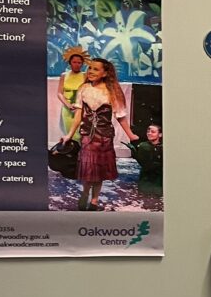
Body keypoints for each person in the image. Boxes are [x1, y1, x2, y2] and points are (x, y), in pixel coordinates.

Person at [64, 58, 138, 210]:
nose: (91, 71)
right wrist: (69, 135)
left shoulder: (112, 91)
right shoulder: (84, 88)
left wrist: (131, 135)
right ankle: (85, 192)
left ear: (105, 73)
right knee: (88, 168)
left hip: (104, 137)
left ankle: (94, 200)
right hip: (87, 135)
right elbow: (78, 115)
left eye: (96, 69)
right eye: (90, 68)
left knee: (99, 170)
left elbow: (120, 116)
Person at [55, 46, 88, 137]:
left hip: (81, 109)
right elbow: (59, 93)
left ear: (82, 64)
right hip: (67, 108)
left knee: (80, 134)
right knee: (69, 132)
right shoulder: (64, 75)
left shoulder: (85, 76)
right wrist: (68, 105)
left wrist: (80, 106)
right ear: (70, 63)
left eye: (79, 62)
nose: (77, 64)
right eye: (74, 62)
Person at [127, 122, 163, 200]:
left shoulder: (163, 147)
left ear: (160, 134)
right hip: (146, 179)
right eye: (148, 131)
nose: (149, 133)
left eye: (153, 132)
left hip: (159, 179)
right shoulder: (143, 146)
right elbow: (144, 164)